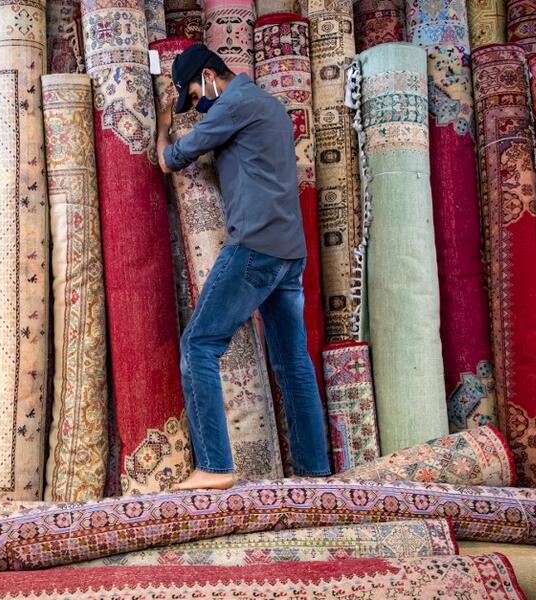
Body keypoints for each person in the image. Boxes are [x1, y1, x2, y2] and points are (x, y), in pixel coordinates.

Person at [157, 43, 331, 491]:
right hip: (290, 250)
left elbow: (173, 159)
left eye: (194, 95)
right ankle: (314, 473)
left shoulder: (233, 105)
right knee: (292, 360)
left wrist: (162, 126)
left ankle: (214, 466)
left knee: (199, 344)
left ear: (210, 75)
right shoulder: (268, 105)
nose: (198, 104)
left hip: (254, 246)